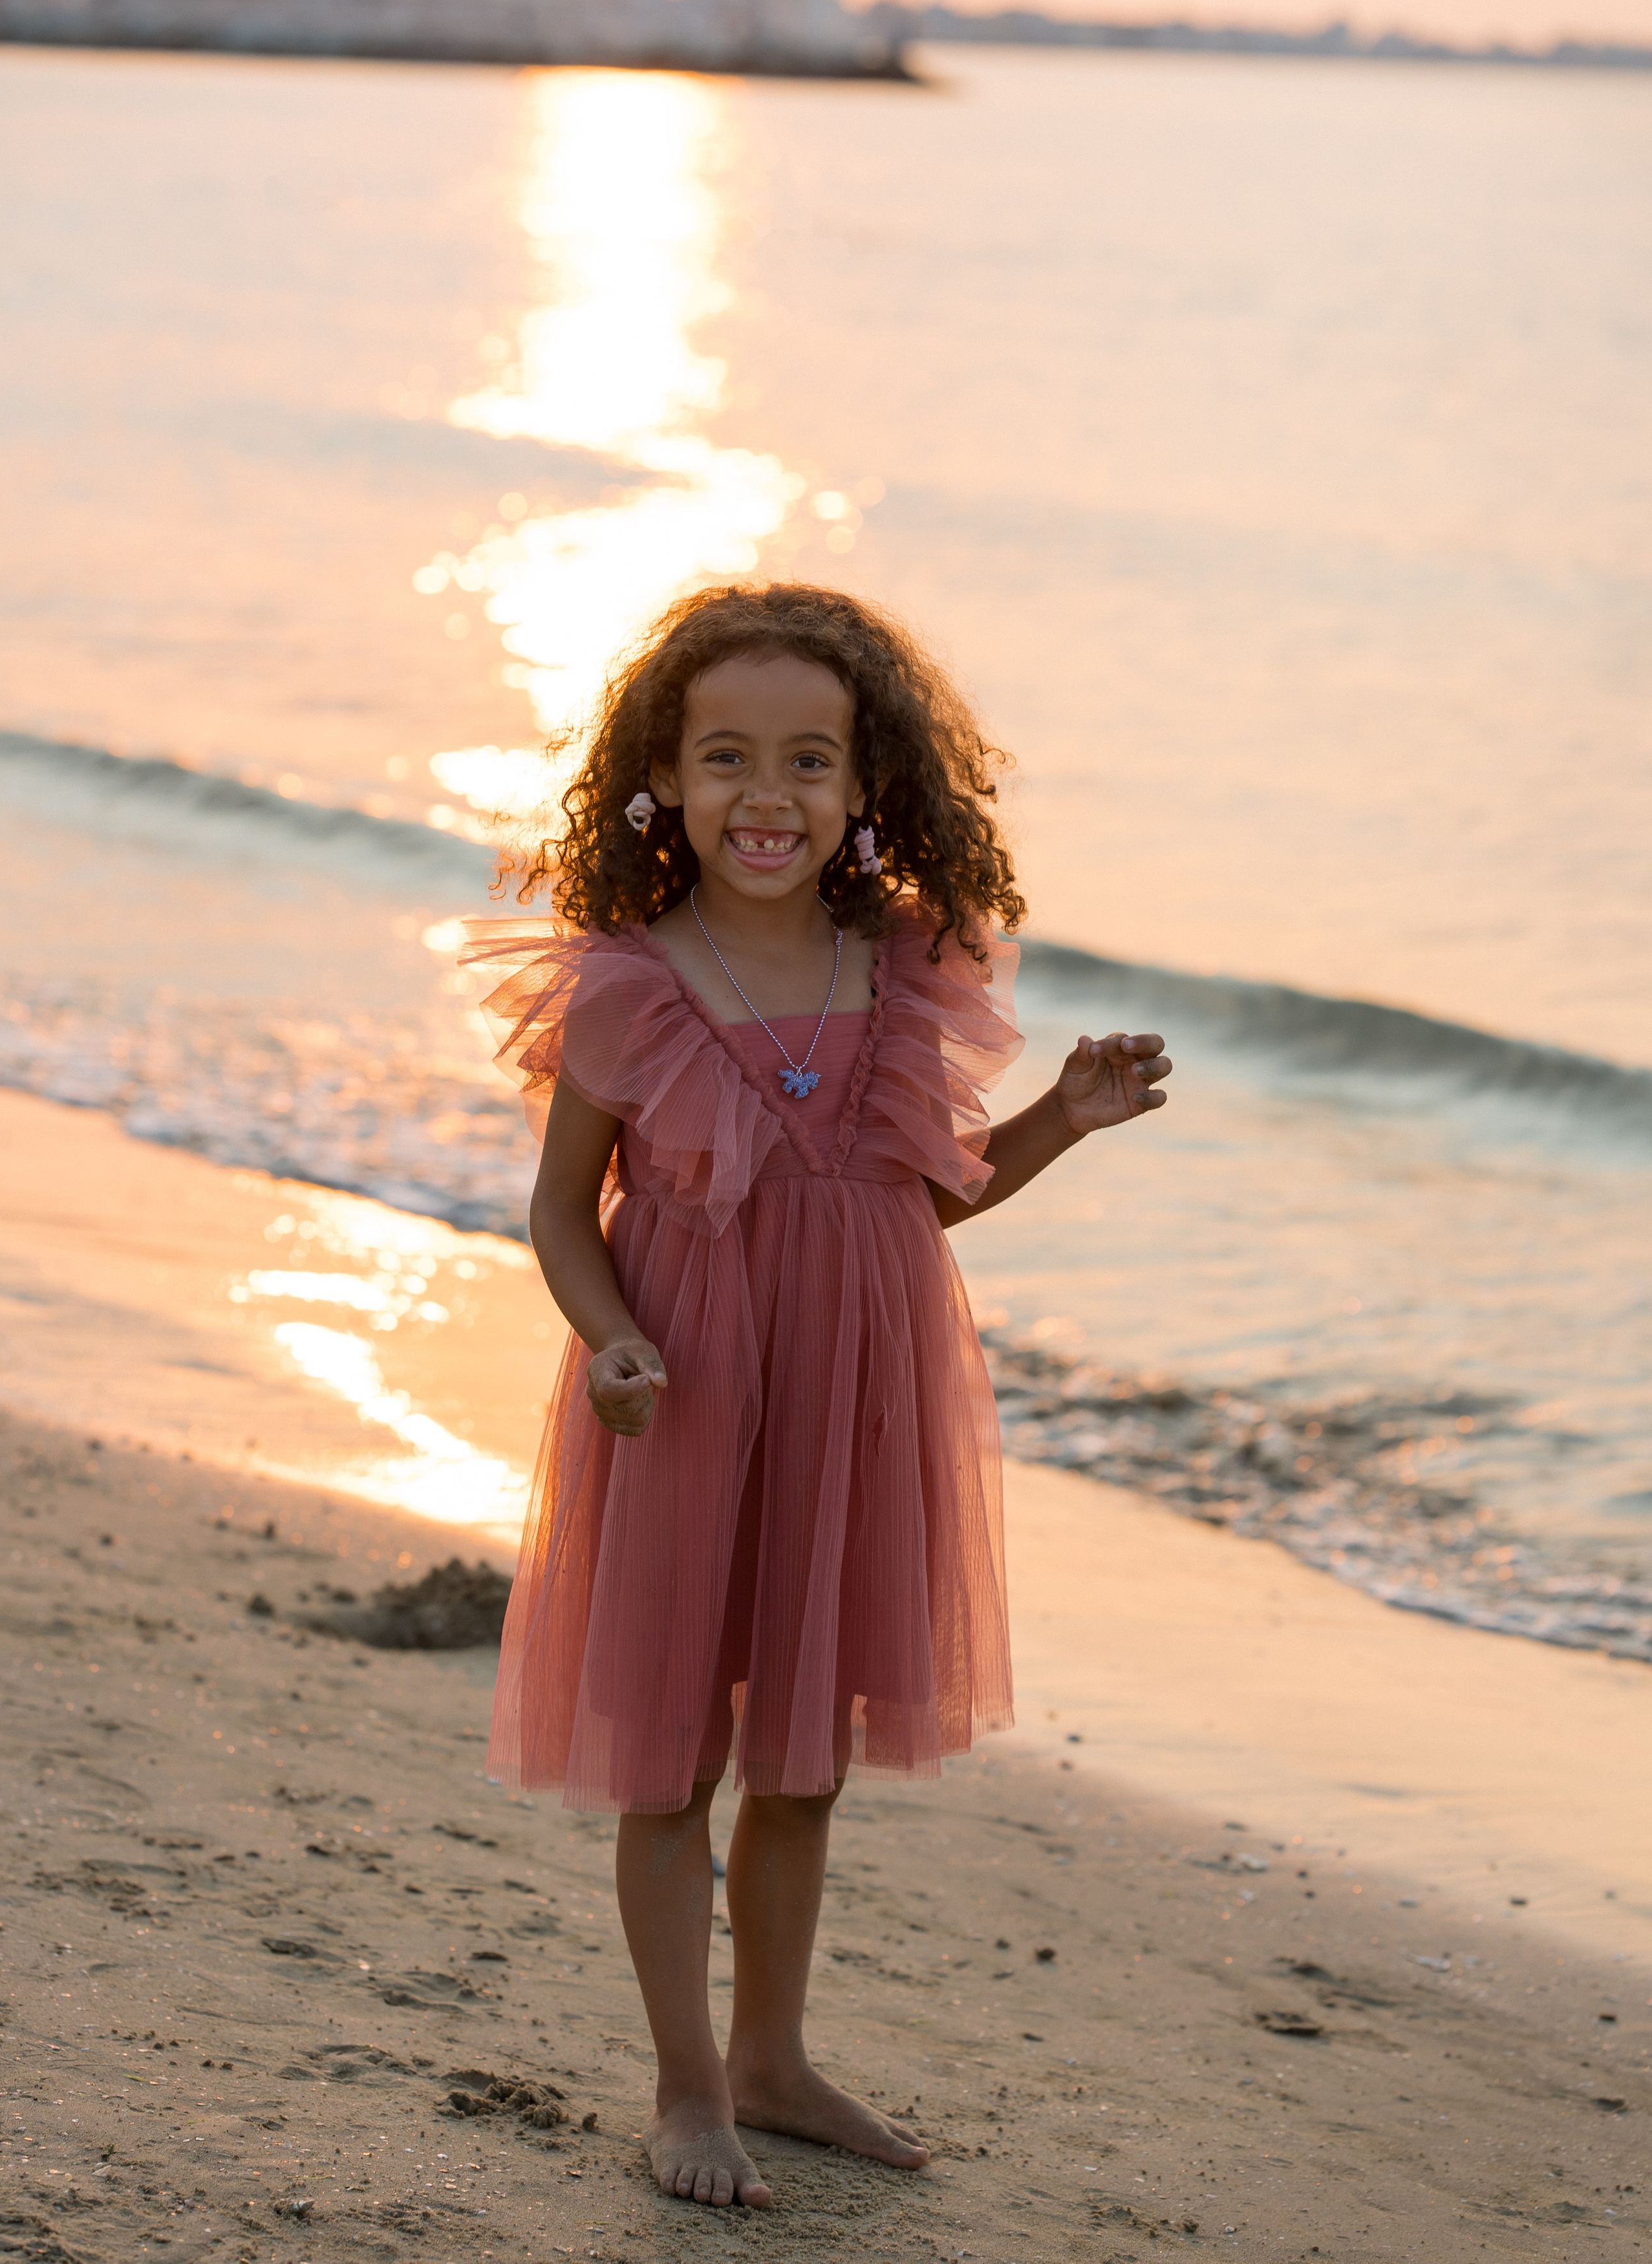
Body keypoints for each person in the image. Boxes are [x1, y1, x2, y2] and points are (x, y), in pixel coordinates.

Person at [462, 582, 1171, 2210]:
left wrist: (1058, 1118)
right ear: (661, 777)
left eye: (806, 759)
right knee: (669, 1762)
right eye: (725, 756)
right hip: (682, 1400)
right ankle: (687, 2086)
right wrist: (610, 1342)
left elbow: (912, 1199)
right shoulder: (629, 985)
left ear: (866, 786)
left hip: (853, 1396)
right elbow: (562, 1212)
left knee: (803, 1761)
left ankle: (774, 2061)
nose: (764, 795)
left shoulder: (902, 967)